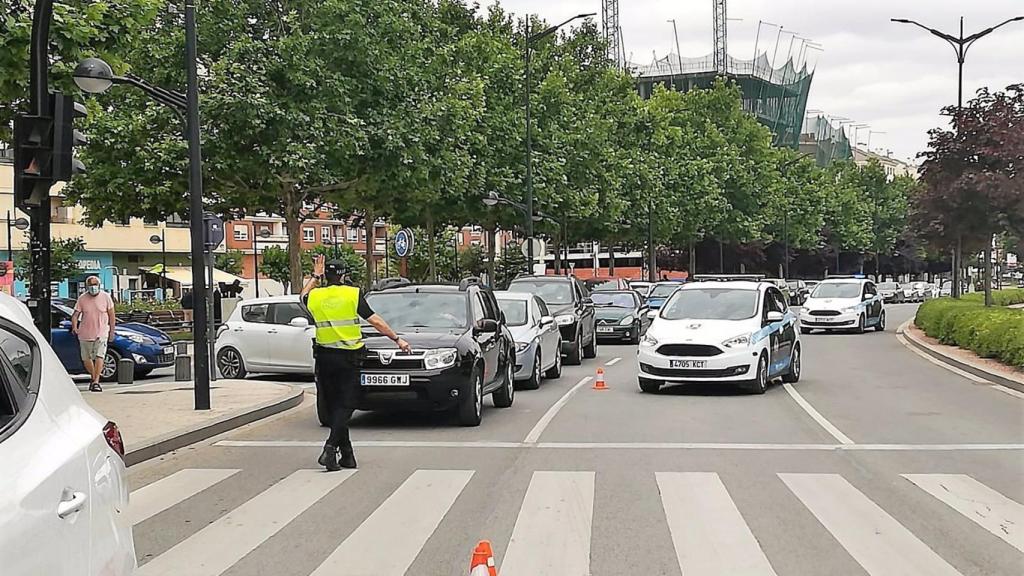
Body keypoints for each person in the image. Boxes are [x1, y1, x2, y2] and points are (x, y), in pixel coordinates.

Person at [301, 255, 411, 471]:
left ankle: (347, 456)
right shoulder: (352, 294)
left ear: (326, 275)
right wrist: (397, 339)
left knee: (334, 406)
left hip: (324, 357)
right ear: (343, 275)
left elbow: (303, 295)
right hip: (348, 357)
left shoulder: (316, 295)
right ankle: (331, 447)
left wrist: (315, 276)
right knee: (347, 404)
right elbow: (375, 320)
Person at [71, 276, 116, 392]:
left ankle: (96, 382)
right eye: (90, 285)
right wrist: (75, 327)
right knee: (86, 358)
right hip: (85, 333)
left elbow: (112, 316)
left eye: (95, 284)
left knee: (99, 355)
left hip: (101, 332)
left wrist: (112, 331)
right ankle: (94, 376)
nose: (93, 287)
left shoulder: (106, 297)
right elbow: (75, 315)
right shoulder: (82, 299)